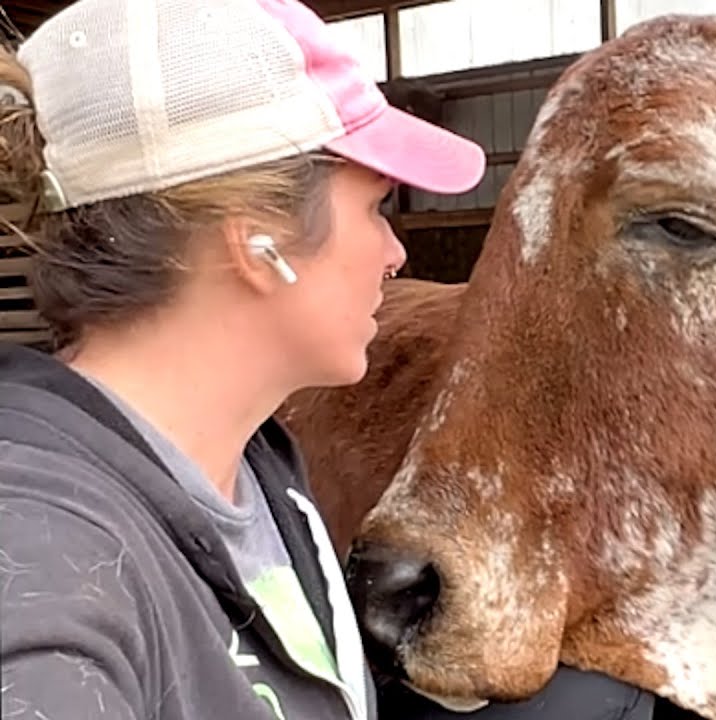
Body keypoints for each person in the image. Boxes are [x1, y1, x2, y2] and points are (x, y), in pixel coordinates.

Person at [0, 1, 655, 719]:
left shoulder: (258, 471)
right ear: (257, 244)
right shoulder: (43, 548)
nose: (395, 253)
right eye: (376, 209)